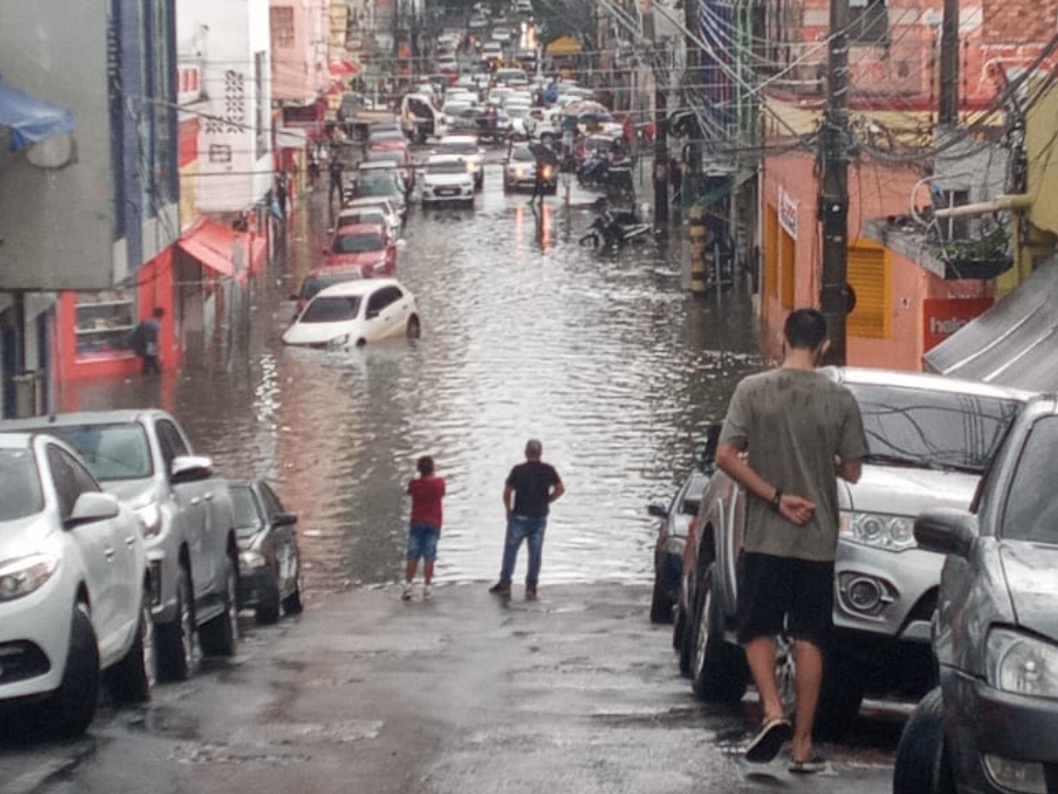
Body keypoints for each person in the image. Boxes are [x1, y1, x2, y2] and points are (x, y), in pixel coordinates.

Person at [714, 308, 868, 772]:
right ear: (823, 346)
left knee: (756, 627)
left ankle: (772, 711)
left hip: (765, 535)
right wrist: (825, 459)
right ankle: (802, 745)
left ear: (784, 339)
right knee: (810, 635)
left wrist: (775, 496)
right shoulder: (840, 399)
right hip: (817, 539)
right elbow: (853, 470)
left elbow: (725, 456)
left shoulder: (752, 391)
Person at [489, 439, 564, 601]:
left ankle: (505, 584)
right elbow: (560, 489)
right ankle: (531, 587)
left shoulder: (518, 470)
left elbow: (507, 492)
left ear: (526, 452)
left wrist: (508, 509)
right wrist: (548, 500)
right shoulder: (548, 470)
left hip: (519, 516)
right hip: (539, 517)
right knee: (535, 553)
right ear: (540, 453)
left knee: (511, 550)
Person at [403, 455, 446, 602]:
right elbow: (442, 493)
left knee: (413, 554)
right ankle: (427, 588)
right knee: (429, 555)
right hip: (433, 522)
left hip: (417, 522)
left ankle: (408, 586)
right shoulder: (439, 483)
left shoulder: (414, 484)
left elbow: (409, 492)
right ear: (432, 469)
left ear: (419, 470)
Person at [129, 307, 165, 375]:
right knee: (154, 364)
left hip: (144, 345)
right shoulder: (157, 325)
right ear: (161, 315)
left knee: (147, 362)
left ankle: (145, 378)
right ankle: (156, 380)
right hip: (152, 346)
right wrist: (160, 352)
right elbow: (158, 339)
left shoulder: (147, 322)